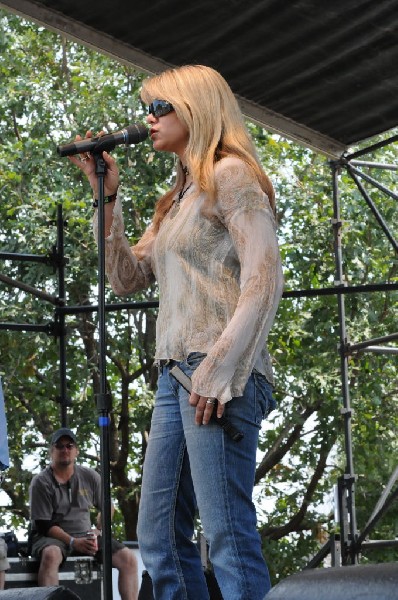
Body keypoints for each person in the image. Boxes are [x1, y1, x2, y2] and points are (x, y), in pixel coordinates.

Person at [70, 64, 284, 599]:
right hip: (175, 379)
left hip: (219, 371)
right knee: (158, 537)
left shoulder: (230, 174)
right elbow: (124, 277)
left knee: (227, 533)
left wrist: (218, 367)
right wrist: (106, 194)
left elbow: (265, 278)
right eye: (149, 108)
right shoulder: (177, 199)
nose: (149, 118)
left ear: (197, 107)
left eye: (161, 107)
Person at [29, 428, 138, 600]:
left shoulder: (90, 476)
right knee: (51, 555)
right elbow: (44, 524)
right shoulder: (40, 482)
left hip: (84, 537)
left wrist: (98, 532)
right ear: (51, 451)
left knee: (129, 559)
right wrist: (73, 542)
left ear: (76, 451)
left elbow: (108, 506)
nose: (65, 450)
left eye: (69, 446)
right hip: (51, 538)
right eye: (59, 446)